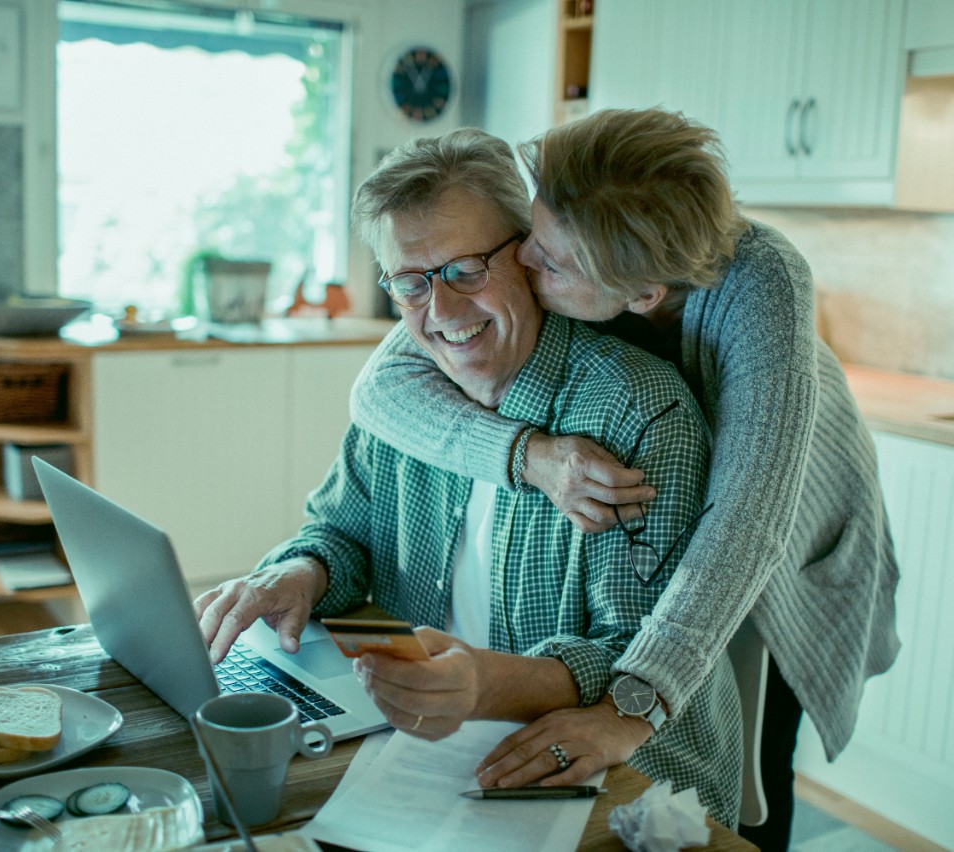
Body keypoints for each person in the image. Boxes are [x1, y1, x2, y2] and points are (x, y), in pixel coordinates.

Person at [348, 108, 901, 850]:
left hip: (792, 552)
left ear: (639, 295)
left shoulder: (760, 288)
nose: (523, 265)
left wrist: (629, 711)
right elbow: (379, 387)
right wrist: (531, 455)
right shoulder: (593, 240)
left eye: (545, 260)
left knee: (751, 774)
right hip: (716, 526)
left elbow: (748, 524)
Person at [195, 128, 742, 827]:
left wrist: (482, 686)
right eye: (411, 282)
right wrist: (298, 574)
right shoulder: (403, 392)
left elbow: (639, 657)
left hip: (621, 782)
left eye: (464, 270)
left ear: (531, 255)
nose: (441, 313)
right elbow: (339, 530)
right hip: (425, 752)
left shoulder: (637, 411)